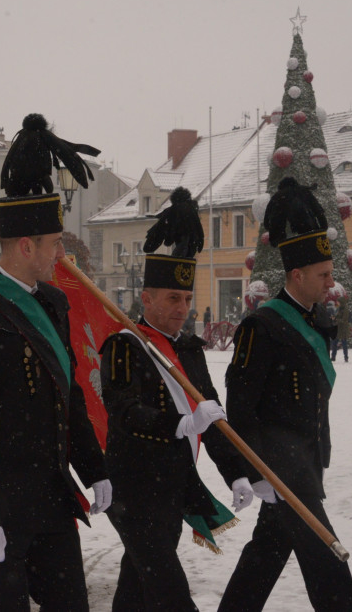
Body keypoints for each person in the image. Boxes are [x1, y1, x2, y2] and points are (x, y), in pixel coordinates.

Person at [0, 114, 109, 611]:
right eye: (55, 244)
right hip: (2, 510)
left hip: (53, 502)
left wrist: (93, 467)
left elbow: (69, 393)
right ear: (26, 244)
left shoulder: (54, 305)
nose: (62, 254)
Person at [99, 188, 248, 611]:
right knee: (170, 592)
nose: (182, 308)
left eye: (186, 299)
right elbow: (126, 412)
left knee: (138, 587)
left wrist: (235, 472)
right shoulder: (125, 346)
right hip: (132, 487)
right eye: (172, 299)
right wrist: (181, 424)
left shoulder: (189, 349)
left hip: (173, 487)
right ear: (147, 299)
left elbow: (212, 416)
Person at [219, 177, 352, 611]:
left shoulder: (311, 320)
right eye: (322, 275)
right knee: (328, 563)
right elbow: (239, 405)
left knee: (265, 555)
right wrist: (257, 470)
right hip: (284, 470)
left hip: (305, 463)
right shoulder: (262, 327)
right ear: (296, 274)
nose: (330, 283)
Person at [331, 296, 351, 363]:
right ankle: (333, 357)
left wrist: (336, 319)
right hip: (338, 328)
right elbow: (337, 316)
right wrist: (334, 317)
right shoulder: (339, 308)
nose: (337, 303)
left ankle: (346, 357)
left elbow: (344, 320)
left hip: (343, 329)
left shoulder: (345, 309)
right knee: (334, 343)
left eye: (338, 302)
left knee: (344, 343)